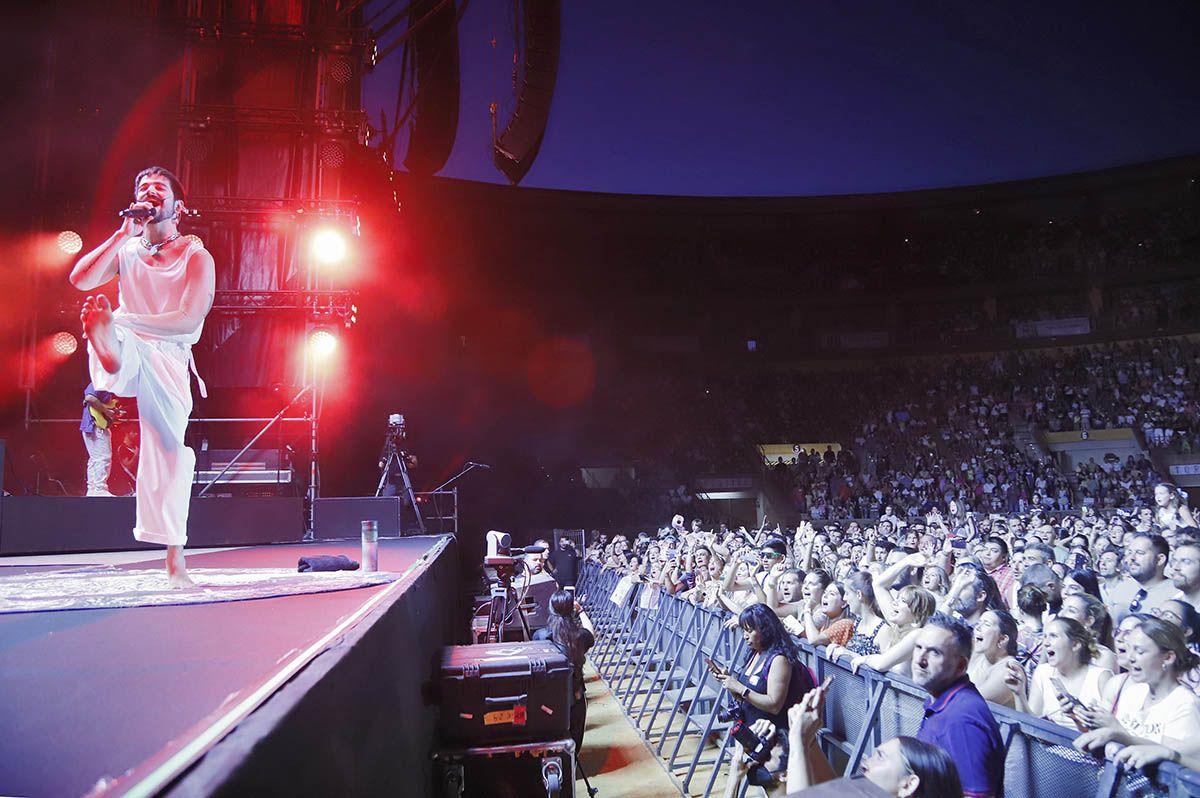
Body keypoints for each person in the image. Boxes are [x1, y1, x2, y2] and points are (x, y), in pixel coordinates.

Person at [69, 166, 214, 588]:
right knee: (115, 340)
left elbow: (189, 322)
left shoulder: (196, 255)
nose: (149, 193)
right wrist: (121, 234)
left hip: (168, 355)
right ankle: (110, 355)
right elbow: (80, 280)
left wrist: (127, 321)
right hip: (128, 340)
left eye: (159, 189)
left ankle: (174, 563)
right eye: (142, 188)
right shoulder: (128, 249)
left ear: (178, 207)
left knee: (168, 452)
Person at [714, 603, 816, 797]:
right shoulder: (753, 653)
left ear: (766, 629)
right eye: (744, 630)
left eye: (750, 630)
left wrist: (740, 688)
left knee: (774, 789)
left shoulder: (779, 659)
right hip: (751, 734)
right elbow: (747, 698)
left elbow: (774, 704)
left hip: (774, 740)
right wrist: (730, 685)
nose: (745, 635)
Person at [1074, 616, 1200, 758]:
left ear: (1168, 657)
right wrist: (1085, 720)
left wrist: (1117, 731)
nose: (1131, 658)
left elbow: (1169, 758)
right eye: (1129, 650)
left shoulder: (1185, 705)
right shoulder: (1134, 692)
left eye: (1140, 652)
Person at [910, 613, 1004, 798]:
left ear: (960, 666)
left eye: (934, 652)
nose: (920, 660)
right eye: (918, 647)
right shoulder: (941, 699)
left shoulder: (963, 719)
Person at [1005, 616, 1112, 732]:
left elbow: (1108, 732)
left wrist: (1080, 720)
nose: (1045, 643)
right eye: (1045, 636)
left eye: (1053, 636)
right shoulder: (1042, 672)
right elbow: (1031, 726)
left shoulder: (1101, 677)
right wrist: (1018, 693)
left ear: (1075, 644)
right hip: (1044, 749)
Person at [533, 590, 595, 754]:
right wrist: (580, 610)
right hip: (576, 698)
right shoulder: (579, 637)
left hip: (548, 701)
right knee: (573, 742)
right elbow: (591, 632)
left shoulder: (541, 636)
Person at [81, 382, 121, 496]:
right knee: (103, 457)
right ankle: (99, 488)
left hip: (91, 425)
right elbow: (89, 398)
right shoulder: (100, 382)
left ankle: (93, 489)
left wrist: (112, 413)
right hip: (96, 426)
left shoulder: (102, 384)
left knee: (95, 459)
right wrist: (107, 411)